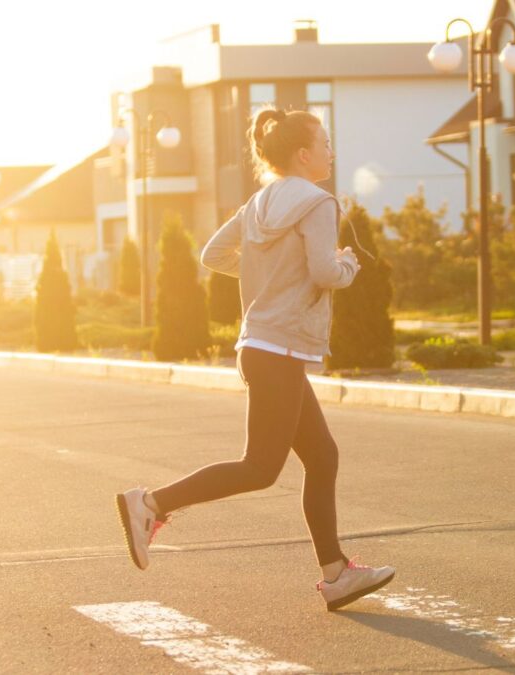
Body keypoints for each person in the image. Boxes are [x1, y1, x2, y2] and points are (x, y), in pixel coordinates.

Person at [115, 107, 395, 612]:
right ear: (304, 154)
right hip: (279, 348)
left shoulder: (259, 203)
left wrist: (265, 279)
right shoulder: (318, 203)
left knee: (323, 456)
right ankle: (151, 503)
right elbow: (326, 271)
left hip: (262, 345)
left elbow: (212, 256)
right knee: (260, 467)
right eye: (325, 143)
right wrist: (350, 264)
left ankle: (335, 574)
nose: (331, 151)